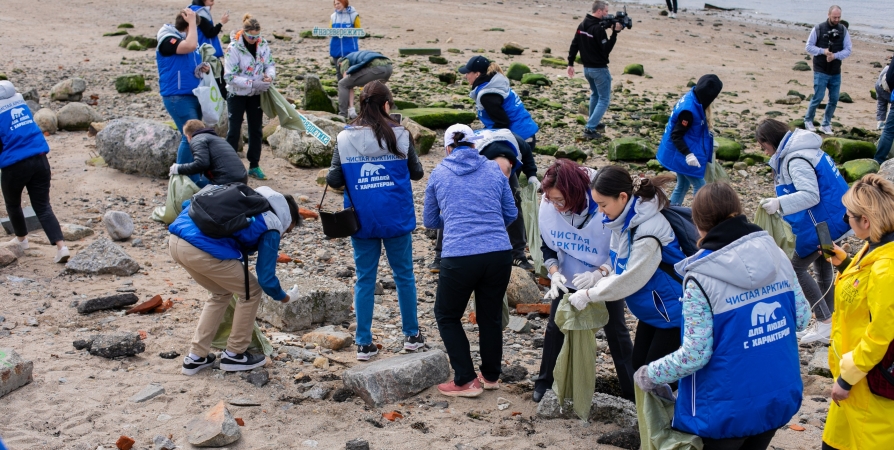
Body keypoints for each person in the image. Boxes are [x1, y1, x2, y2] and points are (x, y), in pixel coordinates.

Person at [634, 182, 810, 450]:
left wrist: (650, 374)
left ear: (698, 223)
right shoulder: (776, 254)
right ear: (738, 211)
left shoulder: (701, 275)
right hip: (777, 396)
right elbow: (802, 318)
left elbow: (695, 355)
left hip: (721, 409)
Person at [326, 80, 425, 361]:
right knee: (404, 275)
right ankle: (411, 336)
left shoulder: (344, 138)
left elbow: (334, 179)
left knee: (365, 279)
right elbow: (416, 173)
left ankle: (364, 343)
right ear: (386, 104)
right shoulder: (401, 134)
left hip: (362, 219)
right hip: (396, 216)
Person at [424, 124, 517, 397]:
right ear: (475, 146)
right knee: (489, 316)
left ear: (447, 149)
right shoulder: (493, 169)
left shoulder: (439, 173)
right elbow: (511, 213)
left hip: (460, 256)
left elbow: (430, 221)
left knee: (447, 315)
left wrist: (456, 221)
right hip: (499, 253)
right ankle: (490, 376)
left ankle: (465, 379)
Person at [567, 166, 685, 382]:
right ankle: (652, 413)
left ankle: (671, 414)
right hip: (653, 310)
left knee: (658, 375)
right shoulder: (622, 221)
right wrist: (601, 273)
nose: (601, 211)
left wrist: (590, 294)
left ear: (622, 197)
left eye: (603, 205)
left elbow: (632, 278)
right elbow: (619, 260)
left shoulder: (648, 231)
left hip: (671, 311)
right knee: (639, 364)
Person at [169, 186, 301, 375]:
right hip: (201, 250)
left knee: (220, 293)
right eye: (289, 230)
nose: (285, 233)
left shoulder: (240, 198)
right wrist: (285, 297)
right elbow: (266, 278)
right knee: (252, 291)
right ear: (289, 218)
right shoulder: (272, 223)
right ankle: (235, 354)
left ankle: (196, 358)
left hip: (176, 240)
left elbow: (187, 204)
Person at [533, 159, 634, 402]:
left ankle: (632, 391)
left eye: (561, 200)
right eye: (552, 200)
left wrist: (600, 273)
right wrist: (554, 272)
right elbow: (547, 244)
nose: (556, 206)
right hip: (568, 273)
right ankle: (544, 383)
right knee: (555, 327)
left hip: (605, 274)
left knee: (616, 330)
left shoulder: (603, 199)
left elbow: (623, 248)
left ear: (577, 194)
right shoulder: (549, 206)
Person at [756, 118, 850, 344]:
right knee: (823, 265)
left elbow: (811, 195)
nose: (763, 151)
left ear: (771, 141)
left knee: (796, 267)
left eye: (763, 146)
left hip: (821, 224)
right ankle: (830, 321)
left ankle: (825, 321)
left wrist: (779, 204)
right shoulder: (807, 148)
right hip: (832, 221)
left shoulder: (795, 158)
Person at [822, 174, 894, 450]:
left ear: (865, 221)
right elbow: (868, 293)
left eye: (848, 216)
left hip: (867, 384)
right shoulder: (874, 246)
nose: (845, 222)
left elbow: (881, 334)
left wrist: (846, 379)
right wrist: (845, 265)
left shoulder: (886, 266)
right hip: (854, 382)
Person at [429, 129, 538, 273]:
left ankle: (518, 254)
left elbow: (528, 157)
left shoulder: (518, 144)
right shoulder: (476, 155)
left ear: (512, 165)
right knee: (455, 204)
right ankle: (440, 256)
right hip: (479, 167)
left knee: (515, 205)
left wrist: (532, 175)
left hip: (503, 166)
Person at [0, 80, 69, 263]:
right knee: (43, 206)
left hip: (14, 166)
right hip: (40, 160)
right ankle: (62, 247)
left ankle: (22, 239)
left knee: (13, 204)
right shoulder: (22, 107)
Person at [156, 9, 212, 187]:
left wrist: (204, 69)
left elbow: (189, 60)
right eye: (195, 28)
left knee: (195, 136)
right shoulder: (167, 39)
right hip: (177, 96)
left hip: (193, 94)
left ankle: (191, 175)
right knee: (190, 135)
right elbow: (189, 46)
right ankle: (182, 178)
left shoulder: (188, 42)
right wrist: (192, 24)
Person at [657, 74, 723, 206]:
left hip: (681, 151)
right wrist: (688, 154)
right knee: (701, 186)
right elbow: (676, 135)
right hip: (680, 153)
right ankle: (698, 217)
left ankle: (671, 211)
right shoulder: (688, 111)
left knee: (683, 184)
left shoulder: (693, 97)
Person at [224, 14, 275, 180]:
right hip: (237, 94)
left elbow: (270, 64)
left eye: (257, 36)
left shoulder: (263, 44)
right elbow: (229, 77)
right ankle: (229, 167)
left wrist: (269, 76)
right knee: (234, 130)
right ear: (244, 33)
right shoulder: (233, 49)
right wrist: (252, 83)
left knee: (256, 129)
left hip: (255, 95)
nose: (254, 39)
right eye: (251, 36)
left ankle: (254, 165)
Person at [567, 1, 624, 140]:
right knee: (604, 99)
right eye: (605, 11)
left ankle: (593, 121)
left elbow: (575, 44)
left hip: (587, 69)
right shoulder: (598, 29)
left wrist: (571, 63)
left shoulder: (582, 25)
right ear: (599, 11)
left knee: (595, 95)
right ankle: (590, 128)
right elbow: (606, 50)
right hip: (598, 69)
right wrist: (615, 34)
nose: (607, 14)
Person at [460, 56, 539, 151]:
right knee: (473, 138)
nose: (466, 76)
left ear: (477, 74)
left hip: (521, 139)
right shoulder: (495, 84)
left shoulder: (487, 95)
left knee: (471, 143)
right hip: (527, 132)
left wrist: (477, 138)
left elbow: (502, 123)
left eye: (468, 72)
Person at [804, 5, 851, 135]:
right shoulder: (818, 28)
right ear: (828, 15)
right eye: (835, 17)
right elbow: (808, 47)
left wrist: (835, 56)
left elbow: (848, 49)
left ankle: (826, 123)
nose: (837, 19)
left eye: (839, 17)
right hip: (820, 69)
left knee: (834, 99)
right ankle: (808, 120)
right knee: (818, 97)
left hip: (835, 70)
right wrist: (823, 51)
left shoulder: (843, 30)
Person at [170, 119, 247, 185]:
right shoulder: (217, 138)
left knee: (188, 202)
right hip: (242, 179)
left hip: (225, 182)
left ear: (188, 136)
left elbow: (202, 163)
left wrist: (178, 168)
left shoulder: (197, 139)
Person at [189, 0, 229, 97]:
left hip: (199, 52)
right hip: (207, 53)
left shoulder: (192, 10)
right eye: (211, 0)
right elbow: (210, 32)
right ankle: (220, 104)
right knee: (219, 81)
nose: (213, 3)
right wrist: (221, 23)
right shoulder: (200, 13)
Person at [336, 50, 392, 119]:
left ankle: (342, 115)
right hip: (389, 67)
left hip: (376, 68)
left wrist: (351, 109)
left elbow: (346, 84)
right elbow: (350, 85)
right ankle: (382, 114)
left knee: (342, 83)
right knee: (375, 90)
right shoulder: (356, 55)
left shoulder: (344, 61)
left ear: (340, 64)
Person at [329, 0, 360, 69]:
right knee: (338, 71)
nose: (337, 6)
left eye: (338, 3)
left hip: (350, 50)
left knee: (350, 71)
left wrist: (352, 33)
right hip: (336, 49)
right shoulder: (333, 16)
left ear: (344, 3)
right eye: (335, 4)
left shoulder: (354, 15)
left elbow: (358, 31)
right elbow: (330, 31)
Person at [874, 59, 894, 164]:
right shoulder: (879, 87)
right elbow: (881, 104)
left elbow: (890, 78)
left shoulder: (888, 78)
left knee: (888, 132)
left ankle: (878, 160)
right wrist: (880, 119)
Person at [875, 62, 891, 131]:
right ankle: (883, 123)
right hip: (883, 87)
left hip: (880, 85)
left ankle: (880, 122)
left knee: (881, 104)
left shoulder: (887, 69)